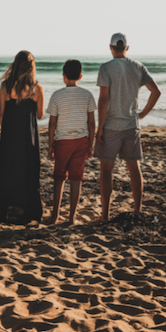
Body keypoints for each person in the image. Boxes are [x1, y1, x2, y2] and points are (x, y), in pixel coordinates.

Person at [94, 33, 161, 222]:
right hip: (132, 125)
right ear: (127, 48)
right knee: (134, 168)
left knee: (106, 170)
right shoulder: (138, 67)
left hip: (111, 126)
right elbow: (156, 92)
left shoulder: (106, 68)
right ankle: (137, 211)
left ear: (110, 47)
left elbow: (104, 98)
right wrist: (142, 114)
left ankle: (105, 215)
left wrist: (100, 128)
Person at [0, 51, 45, 223]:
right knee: (27, 170)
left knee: (7, 170)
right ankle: (26, 213)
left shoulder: (5, 86)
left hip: (10, 135)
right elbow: (41, 115)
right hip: (29, 138)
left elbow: (1, 115)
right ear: (31, 67)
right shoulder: (37, 88)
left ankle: (2, 212)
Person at [44, 59, 97, 225]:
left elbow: (52, 123)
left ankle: (55, 216)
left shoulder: (57, 95)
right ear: (80, 76)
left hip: (63, 141)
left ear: (63, 76)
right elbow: (91, 123)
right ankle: (72, 217)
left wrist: (50, 145)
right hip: (82, 141)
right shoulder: (87, 94)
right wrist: (91, 144)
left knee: (59, 178)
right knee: (76, 178)